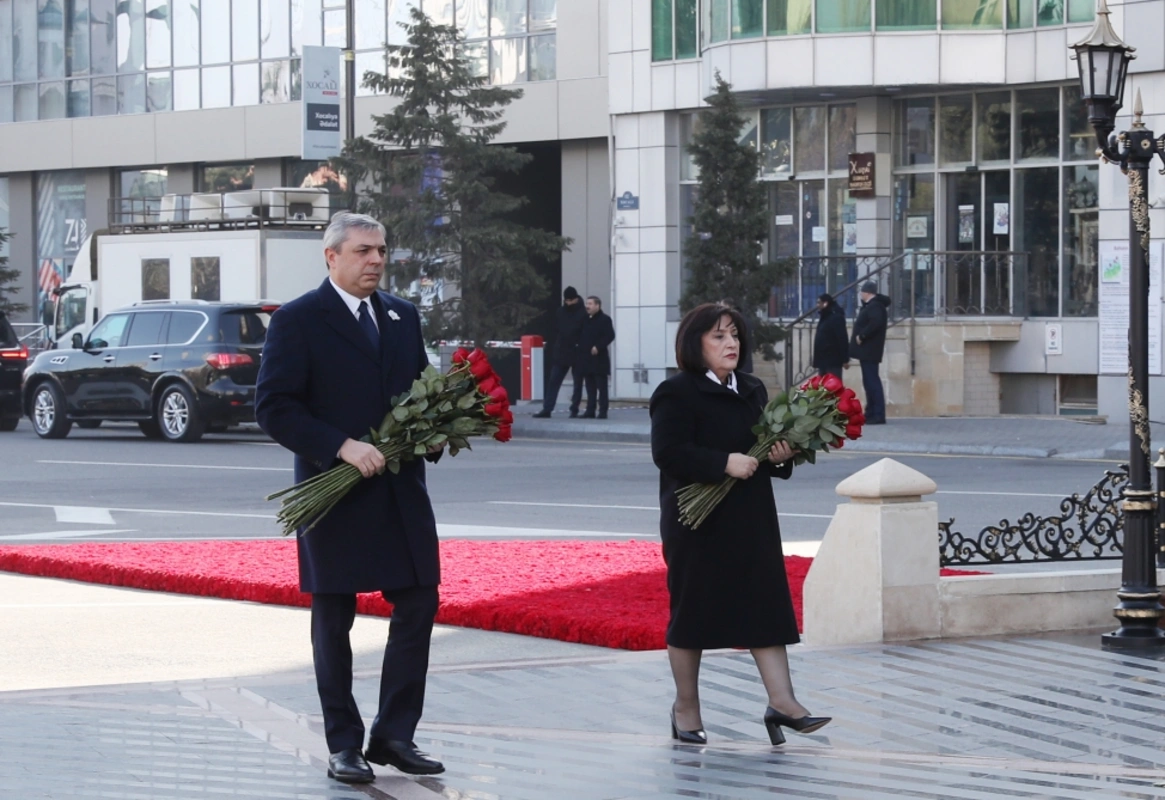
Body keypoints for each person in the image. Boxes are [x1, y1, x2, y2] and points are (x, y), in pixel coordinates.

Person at [255, 212, 446, 785]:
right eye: (364, 251)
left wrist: (435, 431)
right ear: (331, 256)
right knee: (333, 615)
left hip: (399, 490)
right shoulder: (297, 320)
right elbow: (275, 406)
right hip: (332, 490)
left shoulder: (401, 315)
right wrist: (339, 446)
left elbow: (419, 392)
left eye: (382, 250)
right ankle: (344, 744)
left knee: (419, 601)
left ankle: (393, 734)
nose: (377, 261)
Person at [649, 302, 831, 747]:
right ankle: (686, 709)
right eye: (718, 336)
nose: (731, 343)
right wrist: (721, 463)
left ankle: (783, 703)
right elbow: (668, 453)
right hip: (697, 521)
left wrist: (780, 456)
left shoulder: (751, 388)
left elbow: (760, 455)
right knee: (692, 613)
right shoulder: (676, 392)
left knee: (764, 605)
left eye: (734, 335)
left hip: (750, 517)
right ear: (695, 344)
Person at [533, 286, 586, 418]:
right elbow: (555, 330)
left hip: (577, 351)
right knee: (553, 381)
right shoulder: (561, 312)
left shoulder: (583, 313)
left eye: (570, 300)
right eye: (566, 300)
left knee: (577, 383)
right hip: (562, 351)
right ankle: (547, 409)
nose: (568, 303)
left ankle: (574, 409)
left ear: (576, 299)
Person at [849, 281, 890, 425]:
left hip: (869, 350)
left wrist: (862, 335)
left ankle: (877, 414)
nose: (861, 294)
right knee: (869, 382)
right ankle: (871, 411)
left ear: (868, 293)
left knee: (872, 382)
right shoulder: (872, 306)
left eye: (862, 291)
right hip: (867, 351)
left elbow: (875, 323)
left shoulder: (875, 306)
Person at [577, 295, 615, 419]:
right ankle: (590, 410)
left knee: (602, 387)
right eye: (587, 303)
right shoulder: (585, 320)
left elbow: (610, 335)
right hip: (586, 359)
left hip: (599, 359)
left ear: (597, 305)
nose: (587, 306)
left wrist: (598, 346)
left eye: (590, 304)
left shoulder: (605, 319)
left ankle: (603, 411)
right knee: (589, 387)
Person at [812, 293, 848, 379]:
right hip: (823, 360)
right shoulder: (824, 317)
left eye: (819, 302)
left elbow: (842, 339)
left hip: (833, 361)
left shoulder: (836, 317)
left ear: (825, 303)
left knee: (833, 386)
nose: (817, 305)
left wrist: (845, 359)